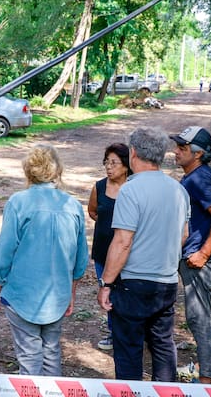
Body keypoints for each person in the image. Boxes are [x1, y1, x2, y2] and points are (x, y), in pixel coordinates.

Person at [97, 126, 190, 382]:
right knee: (162, 346)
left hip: (133, 284)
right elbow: (183, 236)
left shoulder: (130, 190)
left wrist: (106, 283)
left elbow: (123, 241)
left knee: (128, 349)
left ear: (133, 153)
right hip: (166, 283)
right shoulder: (179, 190)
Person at [0, 145, 88, 376]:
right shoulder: (72, 205)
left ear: (29, 171)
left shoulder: (18, 202)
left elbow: (5, 250)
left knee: (29, 358)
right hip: (57, 296)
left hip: (22, 295)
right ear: (57, 170)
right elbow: (80, 257)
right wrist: (71, 292)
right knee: (52, 353)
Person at [171, 126, 211, 384]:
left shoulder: (199, 178)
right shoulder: (194, 175)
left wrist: (203, 253)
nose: (175, 152)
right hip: (191, 257)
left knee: (199, 318)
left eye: (182, 149)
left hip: (199, 261)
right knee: (195, 317)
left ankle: (206, 380)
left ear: (197, 154)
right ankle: (203, 372)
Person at [87, 142, 131, 351]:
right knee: (108, 295)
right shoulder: (100, 186)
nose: (108, 167)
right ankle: (115, 335)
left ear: (126, 165)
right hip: (102, 252)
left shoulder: (133, 189)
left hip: (128, 253)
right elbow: (93, 212)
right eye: (106, 162)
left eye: (114, 163)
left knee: (128, 294)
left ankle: (131, 334)